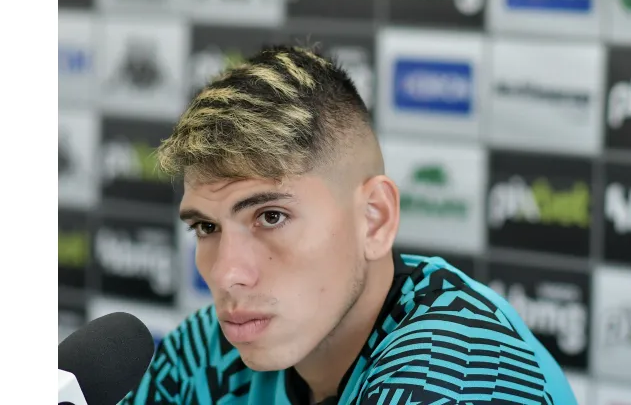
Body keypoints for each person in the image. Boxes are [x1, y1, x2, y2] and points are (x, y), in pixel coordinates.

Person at [120, 45, 577, 405]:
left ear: (374, 219)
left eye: (271, 217)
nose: (225, 274)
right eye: (207, 228)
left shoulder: (456, 373)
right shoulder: (210, 350)